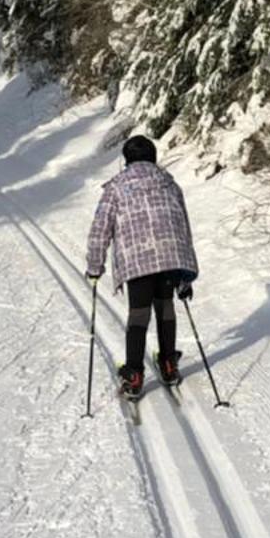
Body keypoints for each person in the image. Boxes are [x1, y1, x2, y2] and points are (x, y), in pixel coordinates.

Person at [85, 134, 199, 399]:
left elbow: (100, 230)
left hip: (137, 260)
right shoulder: (170, 184)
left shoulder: (116, 188)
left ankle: (134, 375)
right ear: (153, 157)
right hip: (171, 257)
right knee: (165, 306)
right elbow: (183, 227)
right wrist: (186, 273)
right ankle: (169, 363)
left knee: (139, 314)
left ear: (126, 160)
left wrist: (94, 267)